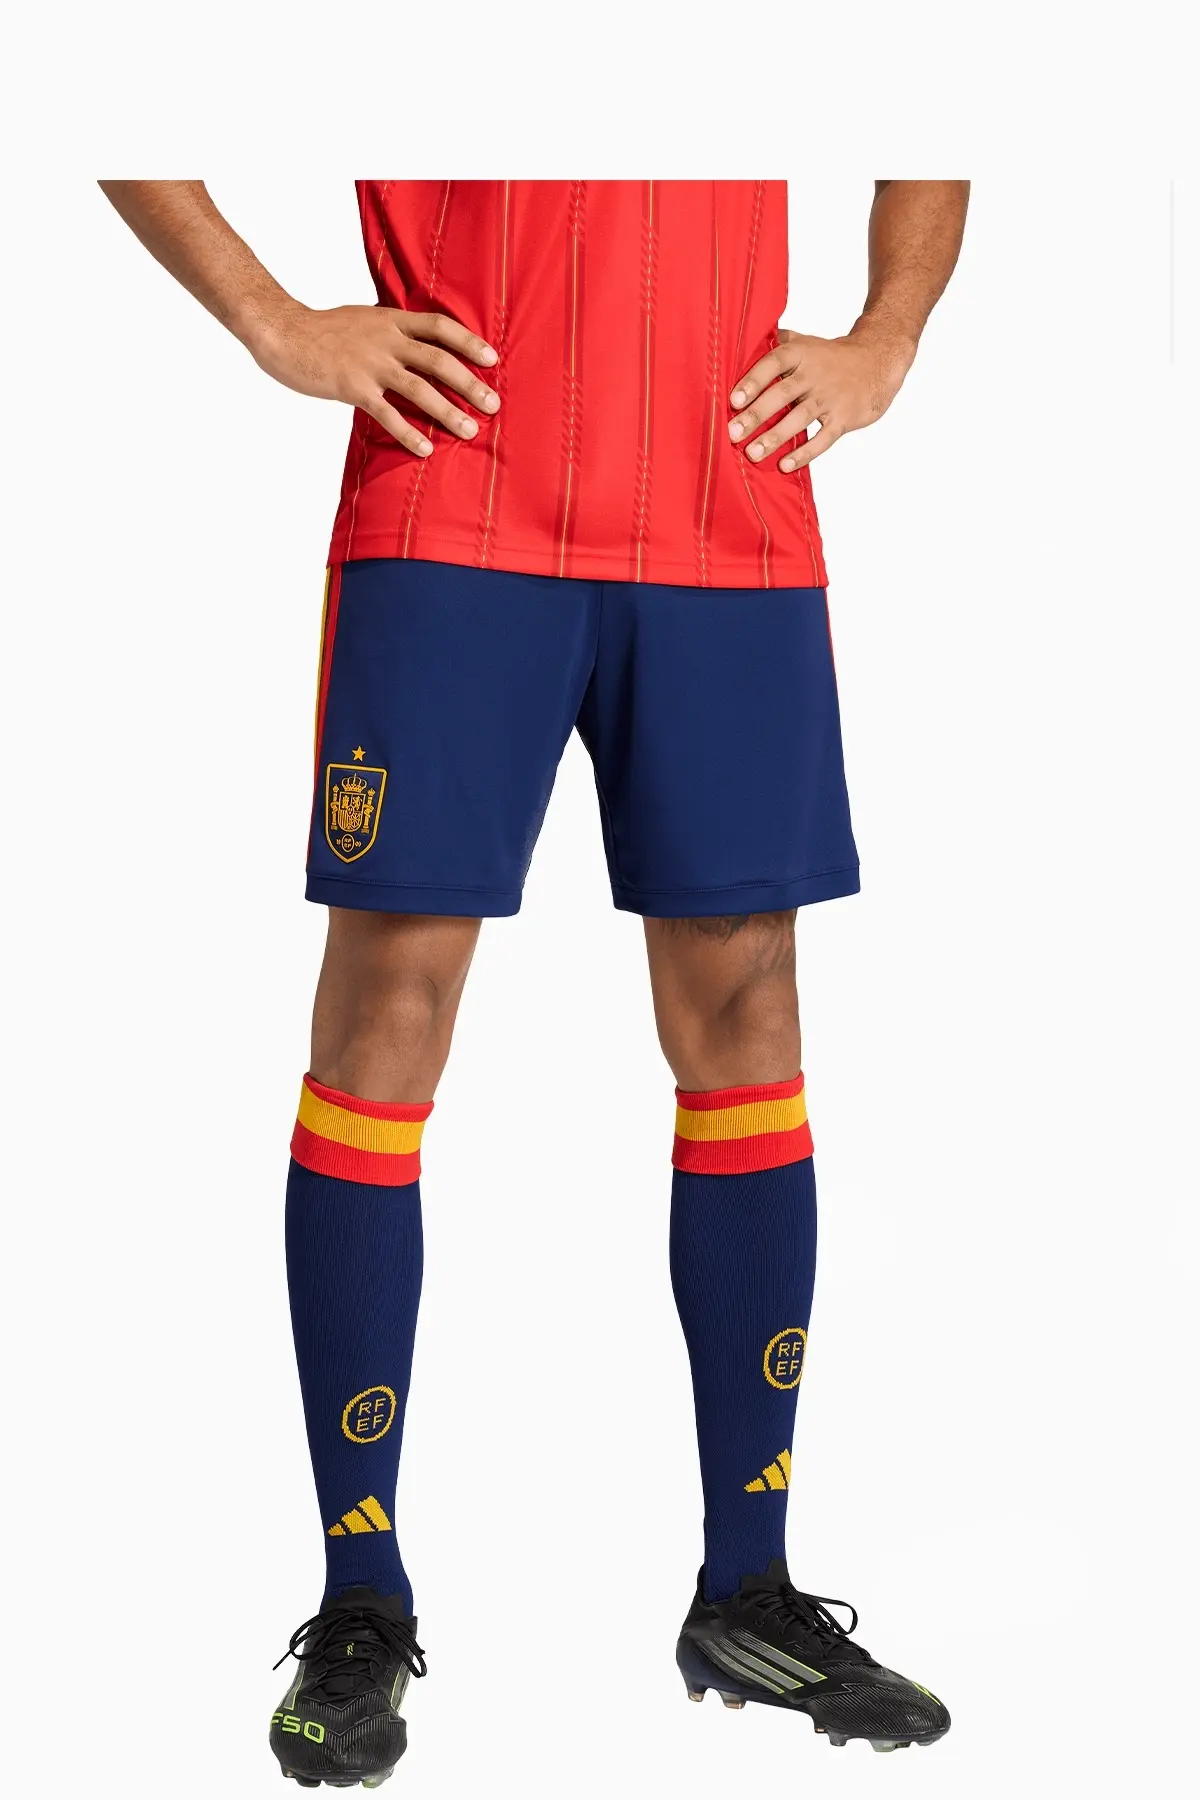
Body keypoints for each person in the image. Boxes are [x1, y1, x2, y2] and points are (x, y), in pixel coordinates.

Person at [100, 177, 969, 1787]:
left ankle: (748, 1589)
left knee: (749, 1012)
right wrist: (272, 322)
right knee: (389, 1010)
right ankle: (361, 1595)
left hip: (727, 498)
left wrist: (887, 337)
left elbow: (961, 87)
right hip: (457, 498)